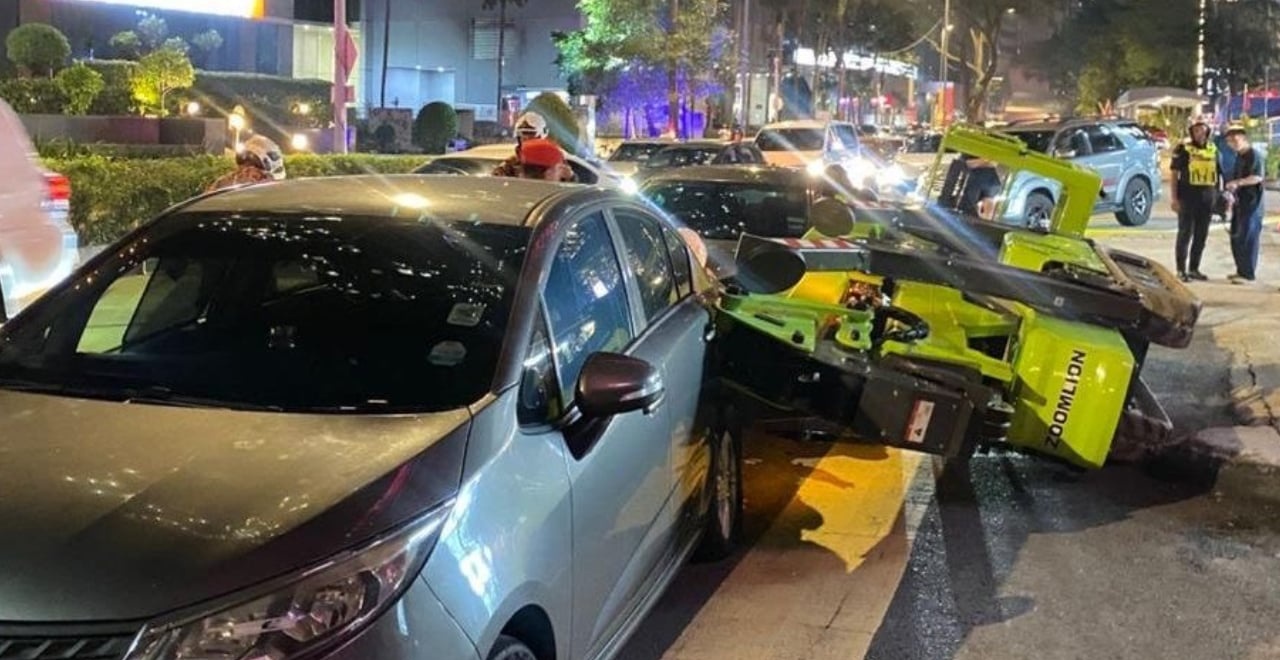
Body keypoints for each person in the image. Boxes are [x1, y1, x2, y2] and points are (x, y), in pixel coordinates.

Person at [1168, 120, 1220, 281]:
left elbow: (1219, 175)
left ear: (1208, 132)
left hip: (1207, 200)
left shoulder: (1213, 150)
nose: (1200, 134)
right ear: (1192, 133)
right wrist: (1174, 198)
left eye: (1203, 130)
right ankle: (1181, 270)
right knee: (1185, 234)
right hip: (1187, 199)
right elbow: (1174, 175)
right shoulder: (1183, 150)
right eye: (1196, 131)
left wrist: (1219, 198)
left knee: (1201, 236)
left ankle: (1194, 269)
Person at [1223, 127, 1265, 284]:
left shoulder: (1254, 155)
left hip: (1252, 204)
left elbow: (1257, 177)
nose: (1233, 144)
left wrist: (1238, 182)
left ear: (1244, 139)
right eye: (1229, 141)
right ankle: (1241, 270)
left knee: (1248, 238)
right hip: (1239, 203)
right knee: (1237, 237)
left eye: (1235, 140)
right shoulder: (1239, 157)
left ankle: (1248, 273)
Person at [207, 135, 285, 192]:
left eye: (256, 165)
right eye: (245, 164)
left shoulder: (278, 193)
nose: (246, 171)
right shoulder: (223, 183)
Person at [491, 112, 548, 177]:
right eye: (523, 133)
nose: (526, 138)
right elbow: (494, 179)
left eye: (530, 133)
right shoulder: (511, 164)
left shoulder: (551, 163)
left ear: (540, 136)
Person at [495, 138, 575, 182]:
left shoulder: (509, 193)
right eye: (559, 168)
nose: (562, 174)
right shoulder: (552, 200)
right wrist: (571, 178)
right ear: (548, 173)